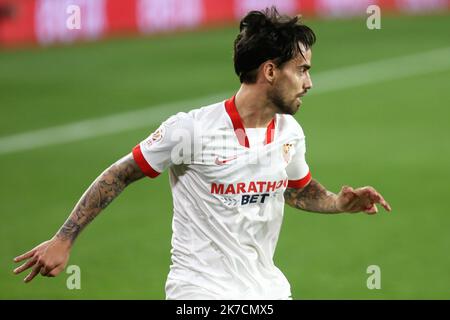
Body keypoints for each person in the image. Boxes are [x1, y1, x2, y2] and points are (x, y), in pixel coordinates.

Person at [13, 7, 391, 299]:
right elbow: (121, 173)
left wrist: (338, 203)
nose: (310, 83)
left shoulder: (289, 132)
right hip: (200, 290)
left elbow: (295, 189)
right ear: (271, 71)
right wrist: (64, 238)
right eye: (302, 70)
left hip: (267, 289)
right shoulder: (192, 130)